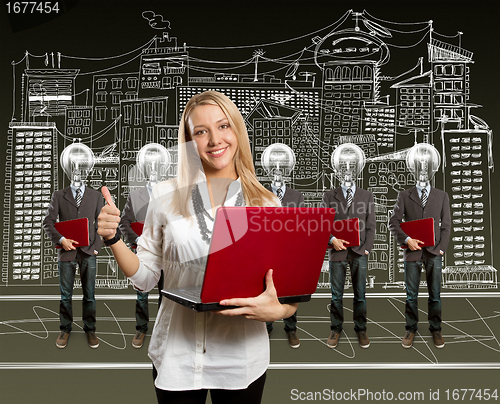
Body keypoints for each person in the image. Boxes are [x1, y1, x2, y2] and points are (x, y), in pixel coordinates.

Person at [97, 91, 298, 404]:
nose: (214, 139)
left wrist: (281, 310)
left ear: (237, 131)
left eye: (223, 126)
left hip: (240, 360)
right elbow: (146, 277)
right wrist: (112, 239)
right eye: (201, 131)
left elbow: (285, 291)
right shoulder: (164, 196)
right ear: (189, 141)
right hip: (177, 357)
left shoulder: (267, 203)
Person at [389, 143, 451, 349]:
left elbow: (447, 225)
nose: (423, 170)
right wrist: (407, 240)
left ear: (432, 169)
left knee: (435, 293)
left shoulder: (442, 196)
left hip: (434, 252)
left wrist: (441, 248)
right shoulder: (404, 196)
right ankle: (411, 328)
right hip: (412, 252)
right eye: (419, 166)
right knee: (411, 294)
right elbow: (394, 223)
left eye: (427, 166)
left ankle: (436, 329)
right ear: (414, 169)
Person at [43, 143, 103, 349]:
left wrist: (96, 248)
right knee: (65, 295)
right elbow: (48, 222)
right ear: (68, 169)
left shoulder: (96, 196)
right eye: (73, 166)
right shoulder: (59, 195)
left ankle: (90, 329)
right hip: (66, 252)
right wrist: (61, 240)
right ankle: (65, 329)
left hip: (88, 252)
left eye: (80, 166)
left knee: (90, 294)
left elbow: (102, 224)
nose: (77, 170)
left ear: (86, 169)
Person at [320, 143, 375, 349]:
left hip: (359, 253)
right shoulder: (328, 196)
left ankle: (361, 330)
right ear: (337, 171)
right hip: (337, 252)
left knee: (360, 294)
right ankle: (335, 329)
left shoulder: (366, 196)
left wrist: (366, 249)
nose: (348, 172)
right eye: (344, 168)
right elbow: (323, 225)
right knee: (336, 295)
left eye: (352, 167)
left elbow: (371, 226)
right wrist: (332, 239)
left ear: (357, 170)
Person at [120, 144, 169, 349]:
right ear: (145, 169)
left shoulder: (171, 194)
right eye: (150, 165)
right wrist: (139, 240)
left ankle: (163, 330)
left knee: (166, 293)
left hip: (166, 254)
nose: (154, 169)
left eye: (158, 165)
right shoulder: (135, 195)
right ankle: (141, 329)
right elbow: (124, 223)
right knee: (142, 293)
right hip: (143, 253)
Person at [262, 143, 304, 349]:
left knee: (289, 290)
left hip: (289, 252)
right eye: (274, 166)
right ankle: (266, 327)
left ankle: (291, 328)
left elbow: (301, 224)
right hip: (268, 251)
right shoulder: (260, 194)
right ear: (269, 169)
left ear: (287, 170)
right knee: (266, 288)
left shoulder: (297, 197)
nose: (277, 169)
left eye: (281, 166)